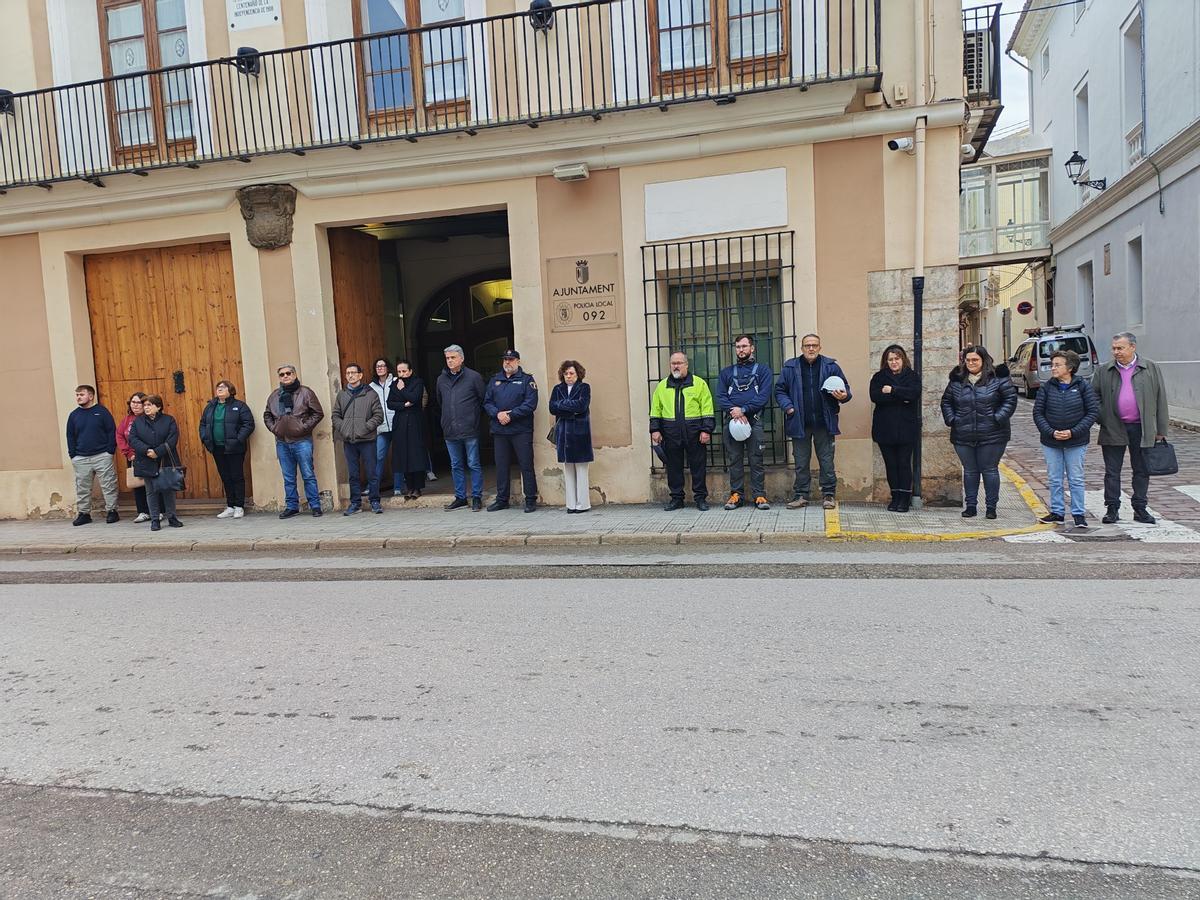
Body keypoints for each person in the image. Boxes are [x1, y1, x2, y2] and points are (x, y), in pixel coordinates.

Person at [1092, 332, 1170, 525]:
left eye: (1120, 348)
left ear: (1132, 347)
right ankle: (1112, 508)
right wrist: (1103, 417)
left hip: (1142, 428)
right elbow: (1093, 397)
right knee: (1112, 471)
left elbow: (1161, 398)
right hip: (1113, 427)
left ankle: (1140, 508)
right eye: (1114, 348)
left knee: (1142, 470)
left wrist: (1161, 429)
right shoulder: (1104, 371)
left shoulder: (1150, 368)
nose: (1116, 352)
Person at [774, 334, 851, 510]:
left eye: (814, 345)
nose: (811, 348)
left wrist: (844, 395)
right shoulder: (790, 367)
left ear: (819, 347)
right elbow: (779, 390)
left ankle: (829, 495)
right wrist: (788, 407)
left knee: (826, 460)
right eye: (807, 345)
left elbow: (846, 389)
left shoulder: (831, 366)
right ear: (801, 348)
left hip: (825, 423)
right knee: (801, 461)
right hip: (799, 422)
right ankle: (801, 495)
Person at [940, 344, 1017, 520]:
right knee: (970, 471)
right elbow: (946, 401)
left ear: (984, 360)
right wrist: (953, 419)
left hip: (993, 434)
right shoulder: (957, 380)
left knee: (989, 470)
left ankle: (991, 507)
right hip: (963, 432)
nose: (971, 363)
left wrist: (997, 418)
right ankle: (971, 506)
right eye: (968, 360)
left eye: (975, 360)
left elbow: (1010, 400)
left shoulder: (998, 378)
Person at [1033, 349, 1100, 528]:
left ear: (1069, 367)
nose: (1053, 368)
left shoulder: (1083, 386)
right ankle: (1057, 512)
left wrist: (1074, 432)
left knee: (1076, 477)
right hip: (1051, 441)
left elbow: (1092, 412)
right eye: (1052, 364)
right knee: (1054, 478)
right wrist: (1051, 432)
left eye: (1057, 365)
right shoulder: (1046, 387)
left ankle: (1078, 514)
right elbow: (1038, 413)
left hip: (1076, 441)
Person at [650, 351, 714, 511]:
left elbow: (707, 408)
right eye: (673, 363)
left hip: (695, 433)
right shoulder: (662, 386)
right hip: (670, 433)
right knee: (673, 468)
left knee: (698, 467)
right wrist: (655, 430)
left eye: (679, 363)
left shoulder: (699, 384)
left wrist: (706, 430)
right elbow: (655, 410)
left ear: (686, 365)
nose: (676, 366)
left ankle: (700, 499)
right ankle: (677, 499)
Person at [717, 335, 775, 511]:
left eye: (744, 346)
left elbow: (763, 396)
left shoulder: (763, 371)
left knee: (756, 460)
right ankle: (736, 495)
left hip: (754, 421)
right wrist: (734, 411)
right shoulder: (726, 373)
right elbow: (720, 397)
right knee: (734, 460)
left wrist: (744, 410)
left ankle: (759, 495)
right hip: (732, 422)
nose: (741, 350)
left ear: (752, 348)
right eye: (738, 347)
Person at [264, 363, 325, 518]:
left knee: (308, 474)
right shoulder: (274, 396)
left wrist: (303, 427)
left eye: (288, 373)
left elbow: (317, 413)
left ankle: (315, 505)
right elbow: (267, 415)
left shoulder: (306, 393)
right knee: (288, 477)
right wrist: (274, 428)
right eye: (282, 374)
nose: (285, 376)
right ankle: (292, 506)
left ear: (295, 374)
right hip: (282, 442)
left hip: (302, 441)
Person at [484, 349, 539, 513]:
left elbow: (530, 404)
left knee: (526, 465)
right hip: (500, 430)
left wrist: (511, 415)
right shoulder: (495, 380)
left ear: (518, 361)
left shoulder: (526, 380)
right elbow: (487, 402)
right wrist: (497, 414)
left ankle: (530, 499)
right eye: (505, 359)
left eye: (511, 359)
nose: (508, 362)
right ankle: (502, 500)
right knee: (501, 466)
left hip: (521, 430)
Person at [869, 344, 921, 512]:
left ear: (903, 359)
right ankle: (895, 497)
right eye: (890, 359)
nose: (893, 362)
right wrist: (901, 396)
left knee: (904, 463)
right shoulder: (879, 377)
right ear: (886, 361)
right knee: (890, 464)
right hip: (885, 429)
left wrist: (892, 390)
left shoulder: (912, 376)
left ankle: (905, 499)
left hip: (906, 428)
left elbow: (913, 394)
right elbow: (876, 396)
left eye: (896, 359)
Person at [436, 344, 486, 511]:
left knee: (473, 463)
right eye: (447, 358)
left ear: (461, 358)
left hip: (469, 428)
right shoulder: (441, 379)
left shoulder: (474, 377)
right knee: (455, 465)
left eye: (453, 358)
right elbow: (440, 401)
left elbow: (482, 400)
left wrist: (472, 418)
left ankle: (477, 496)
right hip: (450, 429)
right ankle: (460, 497)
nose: (450, 361)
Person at [332, 363, 385, 515]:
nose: (350, 375)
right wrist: (344, 428)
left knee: (371, 473)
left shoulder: (371, 393)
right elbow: (336, 415)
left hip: (367, 440)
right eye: (348, 373)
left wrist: (365, 428)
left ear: (360, 375)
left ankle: (375, 501)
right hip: (349, 441)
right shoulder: (342, 395)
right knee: (353, 474)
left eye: (353, 373)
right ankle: (355, 503)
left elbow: (378, 416)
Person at [198, 380, 255, 519]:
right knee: (225, 477)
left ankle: (239, 506)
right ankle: (230, 506)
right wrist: (205, 439)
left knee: (237, 476)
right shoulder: (211, 406)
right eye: (218, 387)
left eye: (223, 387)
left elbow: (248, 424)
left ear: (231, 390)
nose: (219, 389)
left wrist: (237, 440)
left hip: (235, 448)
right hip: (217, 448)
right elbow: (203, 424)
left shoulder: (239, 406)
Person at [65, 384, 119, 526]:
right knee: (82, 486)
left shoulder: (102, 412)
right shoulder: (74, 415)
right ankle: (84, 514)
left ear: (90, 396)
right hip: (81, 457)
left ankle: (112, 511)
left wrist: (110, 451)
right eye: (77, 395)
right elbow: (70, 436)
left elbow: (111, 431)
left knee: (108, 485)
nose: (78, 397)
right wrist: (73, 455)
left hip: (102, 455)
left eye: (81, 394)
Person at [128, 394, 182, 531]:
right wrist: (147, 450)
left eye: (149, 405)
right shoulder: (138, 422)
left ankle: (172, 517)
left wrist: (158, 451)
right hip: (146, 460)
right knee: (150, 491)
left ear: (158, 406)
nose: (146, 408)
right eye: (144, 405)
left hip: (165, 459)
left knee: (168, 490)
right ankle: (154, 519)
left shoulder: (169, 420)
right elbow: (133, 439)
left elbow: (172, 438)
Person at [548, 359, 593, 513]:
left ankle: (583, 504)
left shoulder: (584, 387)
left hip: (580, 433)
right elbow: (552, 408)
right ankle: (571, 504)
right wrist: (570, 409)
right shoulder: (557, 389)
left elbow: (582, 406)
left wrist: (562, 405)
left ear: (578, 374)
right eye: (566, 373)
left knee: (581, 470)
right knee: (568, 470)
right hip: (563, 435)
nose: (568, 376)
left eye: (571, 373)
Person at [387, 359, 428, 499]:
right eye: (399, 371)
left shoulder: (417, 382)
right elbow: (390, 403)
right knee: (403, 454)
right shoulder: (394, 384)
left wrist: (402, 390)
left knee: (415, 454)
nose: (402, 374)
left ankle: (417, 487)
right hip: (400, 423)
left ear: (410, 371)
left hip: (414, 422)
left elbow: (415, 398)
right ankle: (409, 487)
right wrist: (404, 405)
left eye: (404, 371)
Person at [368, 358, 404, 498]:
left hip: (397, 424)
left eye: (383, 366)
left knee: (398, 457)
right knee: (378, 457)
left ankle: (398, 487)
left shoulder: (396, 381)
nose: (380, 368)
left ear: (388, 367)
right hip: (381, 427)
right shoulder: (371, 386)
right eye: (377, 366)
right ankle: (374, 489)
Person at [116, 391, 151, 523]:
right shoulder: (126, 420)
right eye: (133, 402)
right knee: (138, 484)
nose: (135, 405)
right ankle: (143, 511)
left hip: (148, 455)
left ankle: (157, 510)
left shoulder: (148, 418)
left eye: (139, 403)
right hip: (132, 457)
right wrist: (128, 453)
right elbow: (119, 435)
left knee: (153, 483)